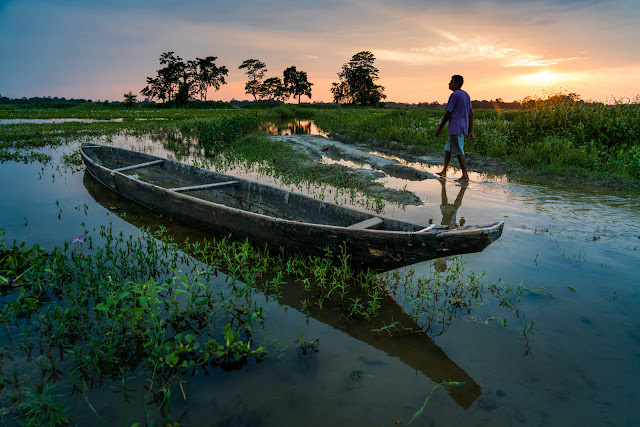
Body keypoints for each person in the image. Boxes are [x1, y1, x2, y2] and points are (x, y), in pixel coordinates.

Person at [435, 75, 474, 182]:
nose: (449, 84)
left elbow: (448, 114)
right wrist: (470, 130)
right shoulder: (466, 95)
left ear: (456, 83)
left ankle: (465, 175)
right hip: (461, 127)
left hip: (456, 127)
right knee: (448, 149)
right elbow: (471, 114)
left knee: (459, 150)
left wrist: (439, 129)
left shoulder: (454, 95)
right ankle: (444, 170)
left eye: (451, 82)